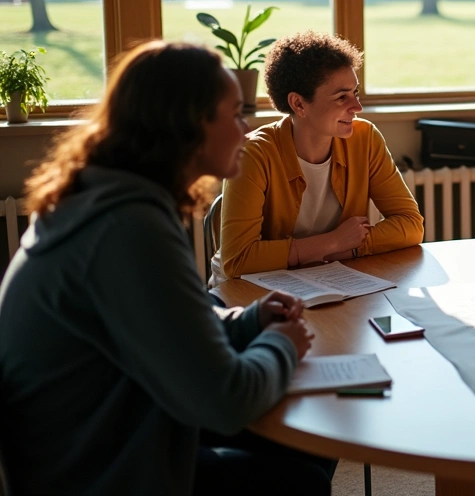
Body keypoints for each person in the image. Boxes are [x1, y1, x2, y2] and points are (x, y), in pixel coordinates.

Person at [0, 41, 328, 494]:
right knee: (299, 473)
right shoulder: (127, 228)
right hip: (99, 472)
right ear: (190, 124)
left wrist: (250, 319)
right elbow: (226, 401)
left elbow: (166, 322)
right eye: (234, 114)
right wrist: (282, 344)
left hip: (117, 429)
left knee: (306, 441)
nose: (245, 126)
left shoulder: (104, 201)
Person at [216, 30, 424, 281]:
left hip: (325, 281)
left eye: (355, 93)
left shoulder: (365, 138)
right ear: (299, 104)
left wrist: (350, 246)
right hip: (247, 296)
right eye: (341, 97)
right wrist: (332, 243)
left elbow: (411, 224)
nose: (357, 107)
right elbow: (237, 260)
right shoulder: (252, 155)